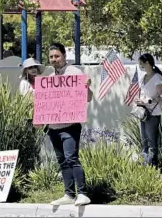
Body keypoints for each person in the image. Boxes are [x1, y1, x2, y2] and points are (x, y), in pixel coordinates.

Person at [36, 42, 93, 206]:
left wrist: (87, 87)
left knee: (71, 158)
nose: (54, 59)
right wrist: (39, 119)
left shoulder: (74, 73)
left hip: (70, 126)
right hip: (53, 128)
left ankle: (82, 193)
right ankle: (69, 194)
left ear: (64, 56)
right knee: (62, 160)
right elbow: (44, 103)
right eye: (51, 57)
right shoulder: (49, 79)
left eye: (57, 56)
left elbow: (88, 98)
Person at [135, 53, 162, 167]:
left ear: (147, 63)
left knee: (152, 141)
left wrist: (149, 101)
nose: (140, 65)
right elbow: (141, 93)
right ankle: (145, 165)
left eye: (141, 63)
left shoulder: (157, 77)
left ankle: (153, 166)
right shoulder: (143, 78)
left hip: (153, 114)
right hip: (143, 113)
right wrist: (138, 100)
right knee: (144, 140)